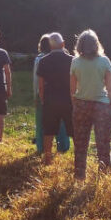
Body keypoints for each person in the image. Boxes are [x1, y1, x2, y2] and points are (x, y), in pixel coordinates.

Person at [70, 29, 111, 181]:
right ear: (96, 44)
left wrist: (76, 105)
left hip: (81, 105)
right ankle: (104, 178)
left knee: (80, 143)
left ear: (80, 45)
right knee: (103, 143)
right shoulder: (105, 61)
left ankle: (79, 177)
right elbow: (110, 89)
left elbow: (72, 89)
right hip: (102, 106)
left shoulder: (75, 62)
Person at [36, 32, 74, 164]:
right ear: (63, 44)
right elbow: (76, 82)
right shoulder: (72, 60)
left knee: (49, 131)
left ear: (50, 46)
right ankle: (78, 159)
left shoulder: (43, 61)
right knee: (74, 131)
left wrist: (43, 99)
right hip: (69, 100)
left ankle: (47, 158)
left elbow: (40, 85)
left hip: (50, 100)